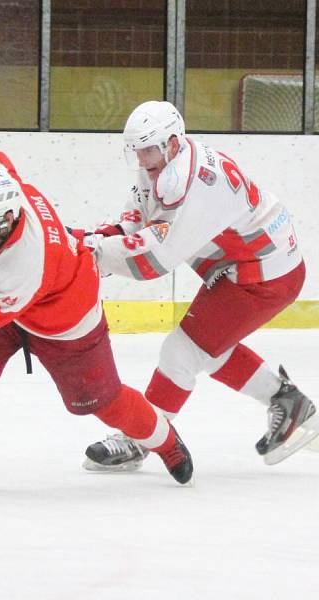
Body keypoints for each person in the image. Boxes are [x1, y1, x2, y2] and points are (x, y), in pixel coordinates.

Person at [0, 150, 194, 487]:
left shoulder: (24, 262)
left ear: (10, 216)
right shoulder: (10, 190)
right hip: (15, 308)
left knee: (107, 403)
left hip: (67, 323)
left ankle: (167, 442)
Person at [73, 100, 317, 470]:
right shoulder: (165, 163)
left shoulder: (199, 185)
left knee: (182, 352)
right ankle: (287, 401)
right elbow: (134, 225)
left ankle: (142, 437)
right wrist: (86, 241)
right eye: (136, 151)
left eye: (148, 150)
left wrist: (90, 254)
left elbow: (154, 259)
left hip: (265, 274)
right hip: (246, 267)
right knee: (208, 346)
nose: (141, 160)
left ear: (173, 142)